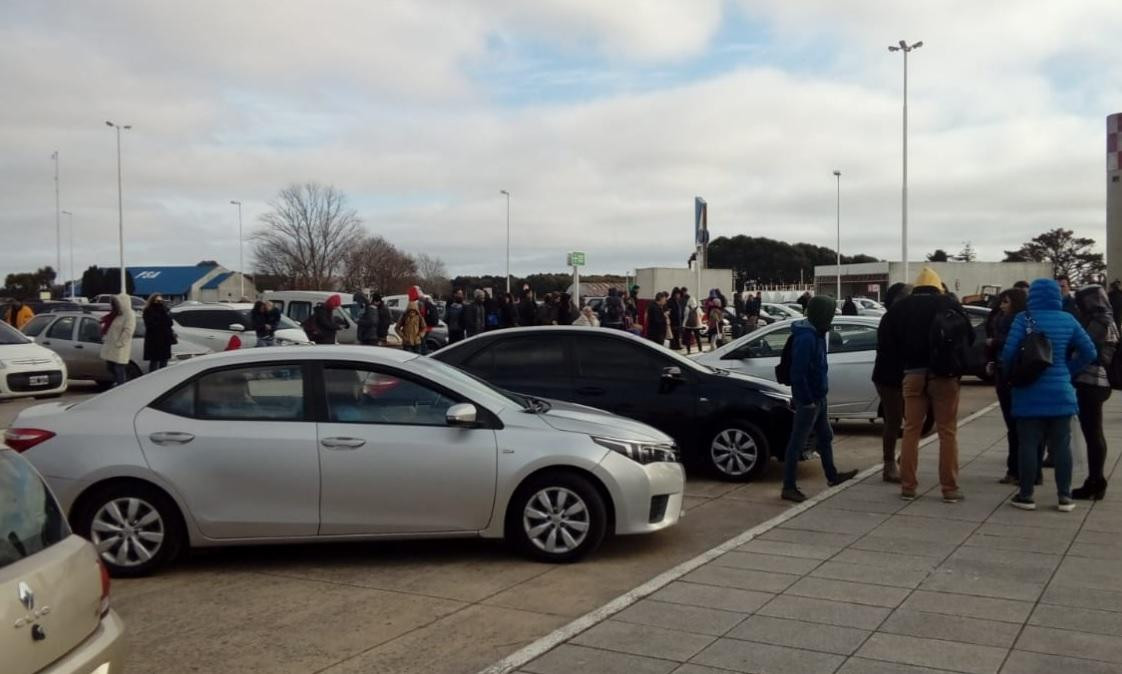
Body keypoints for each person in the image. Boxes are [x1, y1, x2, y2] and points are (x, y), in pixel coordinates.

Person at [1002, 279, 1096, 512]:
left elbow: (1008, 354)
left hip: (1028, 392)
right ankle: (1064, 497)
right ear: (1057, 296)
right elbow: (1090, 352)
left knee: (1028, 444)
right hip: (1061, 392)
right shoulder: (1069, 320)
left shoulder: (1023, 319)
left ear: (1033, 296)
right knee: (1062, 445)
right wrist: (1068, 369)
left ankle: (1026, 495)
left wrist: (1014, 374)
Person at [883, 267, 974, 502]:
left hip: (912, 374)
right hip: (944, 376)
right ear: (937, 286)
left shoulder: (901, 308)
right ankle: (949, 488)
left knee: (912, 429)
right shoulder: (948, 304)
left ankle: (908, 485)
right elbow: (969, 337)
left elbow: (886, 342)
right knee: (947, 431)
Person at [781, 296, 858, 502]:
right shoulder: (806, 338)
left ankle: (832, 476)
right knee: (797, 443)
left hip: (819, 397)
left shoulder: (817, 333)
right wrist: (807, 400)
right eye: (830, 313)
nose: (832, 317)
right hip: (810, 401)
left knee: (825, 437)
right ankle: (788, 486)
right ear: (821, 314)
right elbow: (798, 373)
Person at [1072, 285, 1119, 500]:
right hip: (1102, 381)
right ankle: (1095, 480)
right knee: (1094, 432)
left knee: (1092, 433)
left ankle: (1095, 480)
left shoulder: (1098, 322)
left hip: (1091, 379)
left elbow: (1085, 348)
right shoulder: (1110, 319)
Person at [985, 288, 1033, 485]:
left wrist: (995, 343)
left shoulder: (1013, 321)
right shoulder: (1026, 320)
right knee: (1021, 426)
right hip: (1012, 374)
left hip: (1009, 375)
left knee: (1015, 426)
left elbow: (1010, 346)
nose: (1002, 306)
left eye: (1006, 302)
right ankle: (1025, 470)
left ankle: (1016, 470)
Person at [871, 282, 912, 482]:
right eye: (907, 295)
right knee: (894, 420)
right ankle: (889, 465)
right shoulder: (891, 319)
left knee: (912, 420)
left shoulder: (904, 318)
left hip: (901, 376)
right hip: (889, 378)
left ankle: (904, 458)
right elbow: (893, 349)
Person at [100, 295, 136, 386]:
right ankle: (119, 383)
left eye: (116, 303)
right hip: (111, 345)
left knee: (119, 368)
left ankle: (122, 386)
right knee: (110, 366)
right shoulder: (116, 314)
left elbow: (128, 330)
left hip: (120, 347)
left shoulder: (129, 314)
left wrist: (120, 342)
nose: (114, 305)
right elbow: (110, 327)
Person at [142, 294, 174, 371]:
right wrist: (160, 312)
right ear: (152, 301)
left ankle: (163, 379)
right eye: (157, 301)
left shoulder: (165, 310)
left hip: (165, 340)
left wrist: (163, 312)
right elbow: (151, 325)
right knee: (154, 361)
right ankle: (153, 379)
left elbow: (170, 323)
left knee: (164, 361)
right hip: (154, 341)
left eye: (160, 301)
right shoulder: (148, 311)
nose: (159, 303)